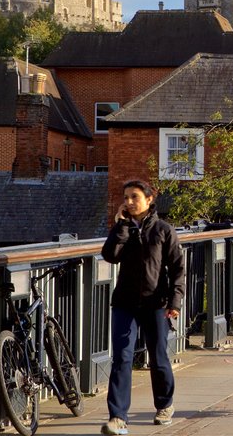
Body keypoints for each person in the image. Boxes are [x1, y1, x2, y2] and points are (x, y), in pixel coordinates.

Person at [101, 180, 186, 435]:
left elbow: (178, 269)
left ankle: (164, 405)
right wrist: (122, 226)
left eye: (134, 197)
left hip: (156, 303)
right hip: (125, 303)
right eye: (126, 197)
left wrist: (175, 302)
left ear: (149, 200)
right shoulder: (123, 228)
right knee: (122, 359)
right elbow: (110, 255)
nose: (129, 202)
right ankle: (118, 417)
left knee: (158, 358)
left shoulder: (163, 230)